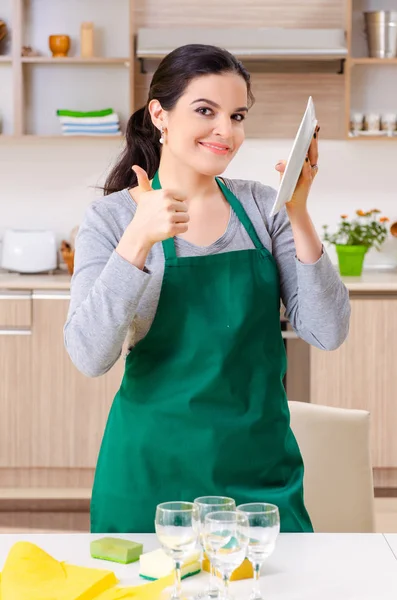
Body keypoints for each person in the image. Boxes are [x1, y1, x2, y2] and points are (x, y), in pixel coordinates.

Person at [64, 43, 350, 534]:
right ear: (160, 114)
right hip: (149, 479)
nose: (227, 131)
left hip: (259, 475)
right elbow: (89, 356)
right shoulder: (111, 219)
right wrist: (138, 238)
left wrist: (299, 212)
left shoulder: (263, 208)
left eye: (237, 115)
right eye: (205, 111)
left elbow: (327, 332)